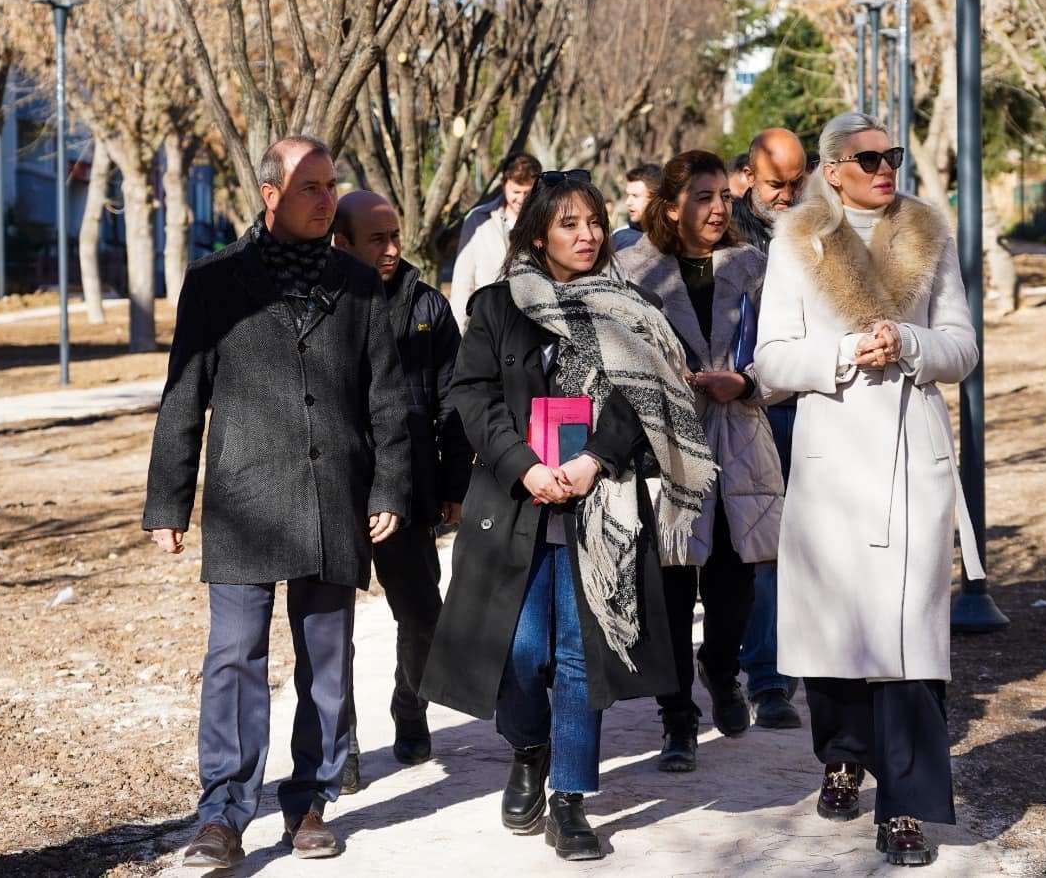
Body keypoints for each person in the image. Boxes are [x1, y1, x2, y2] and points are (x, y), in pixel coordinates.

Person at [420, 170, 714, 862]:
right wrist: (523, 464)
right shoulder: (498, 307)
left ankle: (570, 800)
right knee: (520, 652)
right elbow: (474, 396)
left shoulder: (632, 306)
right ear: (538, 234)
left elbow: (645, 402)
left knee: (582, 656)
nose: (585, 237)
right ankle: (528, 749)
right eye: (568, 225)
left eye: (593, 223)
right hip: (515, 502)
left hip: (599, 506)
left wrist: (595, 462)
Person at [144, 136, 411, 869]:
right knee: (233, 656)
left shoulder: (359, 285)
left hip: (335, 497)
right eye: (310, 188)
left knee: (327, 653)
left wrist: (389, 484)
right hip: (243, 498)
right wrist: (168, 500)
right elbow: (183, 397)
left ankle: (312, 802)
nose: (327, 199)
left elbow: (387, 397)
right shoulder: (215, 281)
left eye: (331, 186)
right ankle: (222, 816)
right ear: (270, 194)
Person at [755, 112, 984, 868]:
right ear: (833, 170)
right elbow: (772, 362)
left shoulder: (928, 232)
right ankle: (843, 752)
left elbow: (963, 344)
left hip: (910, 460)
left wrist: (912, 343)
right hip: (832, 463)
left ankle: (907, 811)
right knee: (837, 640)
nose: (885, 167)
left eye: (892, 155)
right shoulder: (796, 241)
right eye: (869, 158)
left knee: (910, 642)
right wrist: (851, 350)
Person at [616, 150, 786, 771]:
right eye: (703, 198)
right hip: (662, 443)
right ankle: (677, 720)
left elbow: (784, 353)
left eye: (723, 197)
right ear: (670, 206)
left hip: (736, 435)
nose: (719, 209)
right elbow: (609, 355)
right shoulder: (630, 269)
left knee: (734, 576)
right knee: (667, 582)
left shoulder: (752, 266)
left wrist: (743, 383)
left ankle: (720, 666)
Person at [332, 190, 470, 773]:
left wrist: (454, 484)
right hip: (335, 489)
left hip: (409, 489)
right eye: (376, 239)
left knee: (421, 615)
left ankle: (410, 707)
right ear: (342, 242)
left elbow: (455, 403)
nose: (392, 250)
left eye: (396, 236)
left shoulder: (426, 306)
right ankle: (341, 746)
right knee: (328, 628)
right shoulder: (320, 302)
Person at [729, 127, 808, 731]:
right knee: (752, 550)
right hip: (740, 406)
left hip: (805, 402)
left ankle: (776, 674)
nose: (787, 194)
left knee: (791, 547)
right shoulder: (722, 231)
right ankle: (748, 672)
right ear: (749, 178)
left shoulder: (818, 231)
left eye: (797, 182)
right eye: (777, 184)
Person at [451, 153, 541, 329]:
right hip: (487, 325)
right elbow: (462, 285)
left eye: (527, 193)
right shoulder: (477, 220)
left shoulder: (547, 222)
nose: (521, 199)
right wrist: (456, 336)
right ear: (503, 185)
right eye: (515, 192)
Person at [612, 162, 662, 251]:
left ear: (655, 199)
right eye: (628, 195)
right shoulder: (620, 238)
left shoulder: (677, 239)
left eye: (635, 196)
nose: (628, 202)